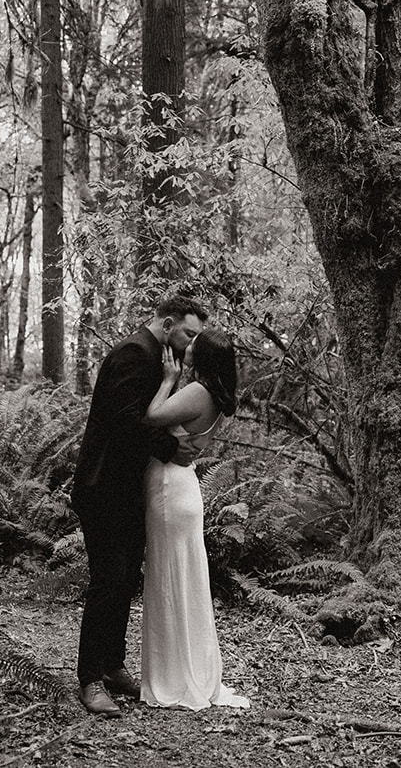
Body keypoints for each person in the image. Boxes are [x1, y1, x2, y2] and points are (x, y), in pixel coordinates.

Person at [71, 294, 207, 717]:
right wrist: (170, 447)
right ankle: (90, 680)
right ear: (167, 324)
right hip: (103, 487)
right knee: (108, 580)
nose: (191, 342)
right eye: (188, 332)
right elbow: (125, 422)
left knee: (126, 578)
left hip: (128, 488)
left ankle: (112, 666)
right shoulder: (133, 354)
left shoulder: (158, 356)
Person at [138, 328, 250, 710]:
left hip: (171, 485)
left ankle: (174, 676)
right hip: (182, 484)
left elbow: (153, 416)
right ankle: (185, 668)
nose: (187, 346)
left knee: (170, 577)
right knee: (182, 578)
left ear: (202, 356)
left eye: (194, 343)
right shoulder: (214, 395)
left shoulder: (197, 392)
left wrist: (168, 379)